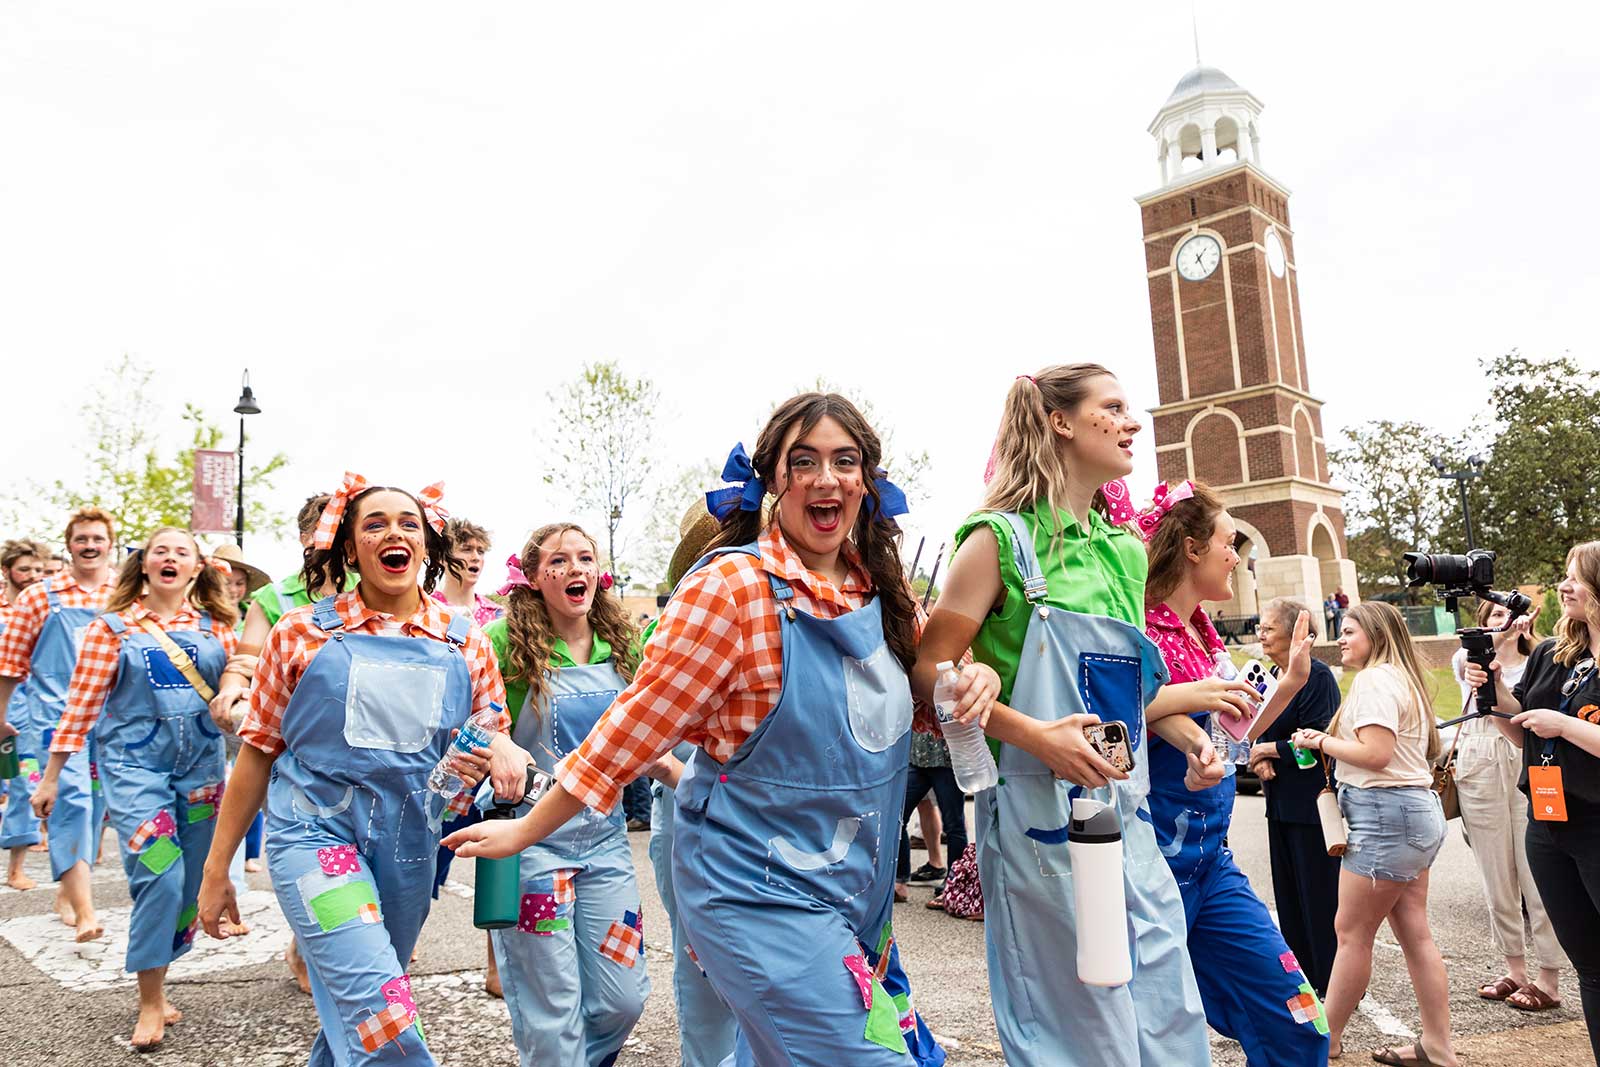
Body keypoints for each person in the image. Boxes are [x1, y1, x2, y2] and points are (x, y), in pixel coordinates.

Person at [448, 393, 963, 1066]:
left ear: (866, 480)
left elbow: (926, 708)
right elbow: (628, 730)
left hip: (852, 899)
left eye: (845, 459)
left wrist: (964, 684)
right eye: (803, 460)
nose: (826, 477)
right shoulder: (732, 589)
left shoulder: (883, 593)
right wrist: (524, 829)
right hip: (752, 889)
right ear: (774, 480)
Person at [914, 366, 1235, 1066]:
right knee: (1077, 1028)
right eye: (1112, 407)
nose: (1133, 422)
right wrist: (1031, 735)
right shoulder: (996, 541)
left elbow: (1125, 698)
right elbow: (930, 668)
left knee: (1166, 1012)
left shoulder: (1122, 552)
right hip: (1035, 816)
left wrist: (1185, 738)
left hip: (1128, 807)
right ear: (1061, 422)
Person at [197, 476, 520, 1067]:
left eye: (408, 523)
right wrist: (217, 868)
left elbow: (489, 730)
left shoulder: (466, 639)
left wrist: (499, 751)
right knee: (384, 1019)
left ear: (426, 547)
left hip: (410, 848)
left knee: (362, 1010)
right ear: (350, 548)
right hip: (313, 838)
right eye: (374, 523)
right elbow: (257, 752)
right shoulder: (300, 633)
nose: (393, 532)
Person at [1136, 481, 1329, 1065]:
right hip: (1148, 872)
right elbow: (1112, 713)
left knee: (1298, 1018)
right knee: (1153, 1038)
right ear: (1192, 549)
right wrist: (1189, 719)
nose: (1238, 556)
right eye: (1228, 542)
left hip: (1210, 864)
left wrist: (1291, 681)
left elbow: (1230, 732)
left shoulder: (1203, 631)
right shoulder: (1138, 629)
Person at [32, 527, 238, 1050]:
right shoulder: (111, 629)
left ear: (197, 569)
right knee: (159, 877)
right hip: (134, 774)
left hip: (202, 776)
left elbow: (247, 698)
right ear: (143, 565)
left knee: (190, 886)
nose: (170, 558)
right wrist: (52, 776)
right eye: (159, 551)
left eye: (182, 553)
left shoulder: (221, 629)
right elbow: (79, 707)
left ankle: (162, 975)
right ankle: (149, 998)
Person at [479, 522, 651, 1066]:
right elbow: (474, 719)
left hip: (606, 843)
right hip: (531, 845)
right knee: (551, 1007)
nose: (574, 569)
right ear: (531, 577)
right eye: (557, 561)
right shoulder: (504, 643)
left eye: (583, 559)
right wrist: (497, 741)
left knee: (623, 998)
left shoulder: (625, 644)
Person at [1292, 601, 1455, 1067]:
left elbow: (1376, 753)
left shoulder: (1374, 680)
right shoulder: (1403, 679)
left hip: (1385, 815)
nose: (1340, 639)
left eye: (1348, 631)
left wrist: (1318, 740)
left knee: (1351, 933)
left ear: (1376, 635)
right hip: (1411, 813)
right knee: (1414, 933)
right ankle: (1437, 1046)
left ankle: (1328, 1040)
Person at [1465, 541, 1600, 1062]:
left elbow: (1554, 726)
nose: (1564, 586)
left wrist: (1563, 723)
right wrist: (1496, 693)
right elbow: (1525, 734)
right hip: (1547, 823)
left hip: (1597, 825)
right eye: (1564, 574)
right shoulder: (1552, 653)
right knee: (1590, 964)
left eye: (1577, 577)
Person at [208, 492, 347, 986]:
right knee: (310, 858)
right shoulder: (275, 600)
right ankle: (311, 947)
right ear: (306, 538)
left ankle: (309, 943)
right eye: (321, 531)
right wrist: (232, 691)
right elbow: (245, 659)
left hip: (357, 757)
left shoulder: (374, 588)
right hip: (290, 755)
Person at [0, 506, 117, 942]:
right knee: (71, 803)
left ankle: (69, 891)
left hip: (112, 719)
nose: (89, 546)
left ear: (109, 543)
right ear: (69, 544)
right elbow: (9, 664)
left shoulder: (124, 593)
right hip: (54, 717)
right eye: (81, 539)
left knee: (99, 807)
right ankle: (86, 910)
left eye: (97, 539)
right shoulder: (38, 596)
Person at [1450, 598, 1565, 1011]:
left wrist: (1520, 634)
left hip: (1527, 757)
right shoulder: (1471, 660)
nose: (1506, 620)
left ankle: (1548, 974)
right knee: (1496, 875)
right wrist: (1499, 635)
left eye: (1509, 613)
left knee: (1538, 873)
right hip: (1480, 760)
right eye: (1495, 615)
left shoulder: (1541, 659)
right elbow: (1467, 660)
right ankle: (1514, 969)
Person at [1249, 596, 1343, 998]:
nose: (1261, 634)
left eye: (1268, 627)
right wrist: (1261, 757)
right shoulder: (1270, 676)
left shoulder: (1317, 678)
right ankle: (1303, 978)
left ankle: (1334, 984)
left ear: (1295, 632)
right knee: (1289, 899)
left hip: (1313, 807)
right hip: (1279, 804)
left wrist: (1271, 752)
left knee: (1319, 898)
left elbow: (1321, 742)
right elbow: (1256, 728)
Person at [1, 538, 50, 888]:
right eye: (24, 569)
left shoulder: (45, 611)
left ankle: (15, 867)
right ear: (7, 571)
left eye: (38, 569)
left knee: (24, 786)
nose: (32, 576)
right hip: (4, 705)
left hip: (27, 717)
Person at [432, 517, 504, 627]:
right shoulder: (426, 608)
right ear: (442, 558)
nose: (476, 557)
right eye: (466, 549)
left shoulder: (497, 615)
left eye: (480, 552)